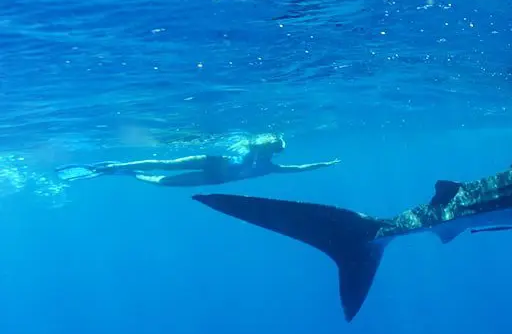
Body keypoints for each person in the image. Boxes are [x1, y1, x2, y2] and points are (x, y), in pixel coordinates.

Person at [55, 133, 340, 187]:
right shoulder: (264, 162)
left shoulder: (266, 162)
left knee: (162, 177)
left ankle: (116, 170)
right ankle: (116, 170)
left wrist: (324, 165)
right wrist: (324, 165)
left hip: (213, 170)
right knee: (162, 175)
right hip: (214, 168)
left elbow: (300, 168)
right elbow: (298, 168)